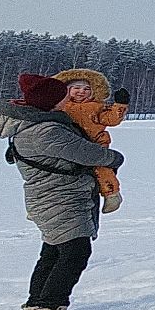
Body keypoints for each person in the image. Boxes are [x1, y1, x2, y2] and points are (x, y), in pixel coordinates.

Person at [0, 73, 124, 310]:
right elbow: (88, 154)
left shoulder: (33, 124)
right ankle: (49, 307)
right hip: (60, 197)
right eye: (64, 96)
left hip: (51, 197)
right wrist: (115, 159)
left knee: (54, 251)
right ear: (50, 102)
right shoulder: (47, 131)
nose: (68, 101)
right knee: (75, 251)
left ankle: (37, 306)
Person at [52, 68, 130, 213]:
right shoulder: (61, 106)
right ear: (66, 89)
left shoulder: (96, 107)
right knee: (55, 172)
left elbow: (111, 119)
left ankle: (112, 194)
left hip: (95, 143)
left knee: (102, 168)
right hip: (68, 144)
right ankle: (45, 205)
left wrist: (120, 105)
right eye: (76, 88)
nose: (82, 91)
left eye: (87, 88)